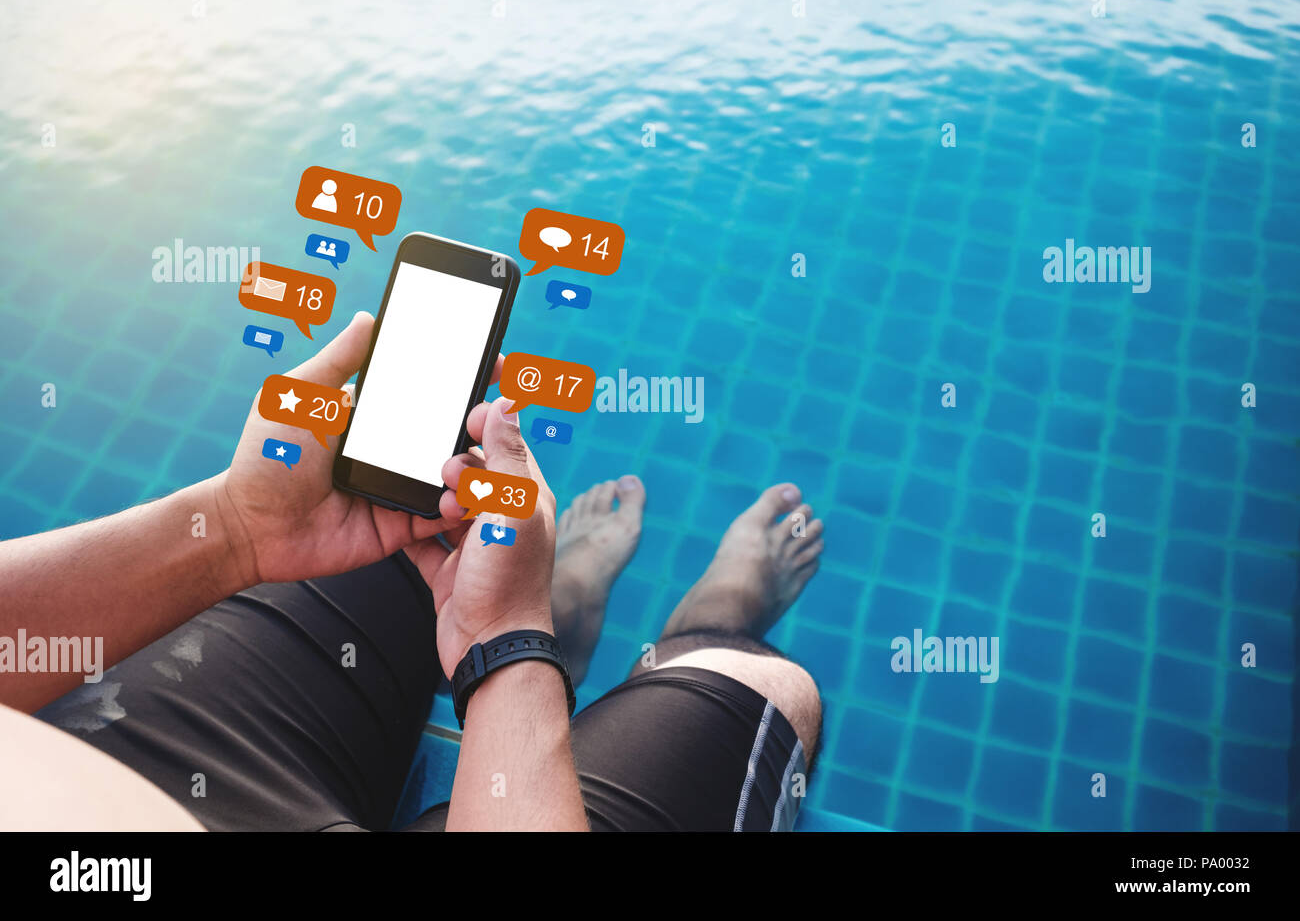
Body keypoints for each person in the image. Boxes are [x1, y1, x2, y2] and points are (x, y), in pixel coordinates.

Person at [0, 312, 825, 831]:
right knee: (760, 688)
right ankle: (702, 629)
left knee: (404, 531)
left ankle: (563, 609)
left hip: (91, 752)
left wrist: (234, 532)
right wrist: (502, 644)